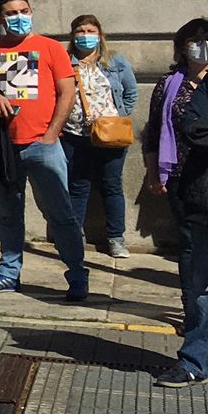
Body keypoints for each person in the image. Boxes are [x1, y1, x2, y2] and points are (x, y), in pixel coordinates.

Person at [0, 0, 88, 299]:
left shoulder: (50, 48)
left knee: (60, 214)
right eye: (11, 13)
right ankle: (9, 273)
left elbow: (67, 93)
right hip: (3, 148)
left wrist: (51, 134)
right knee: (9, 215)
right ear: (0, 19)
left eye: (23, 10)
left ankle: (77, 273)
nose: (19, 17)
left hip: (43, 145)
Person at [147, 20, 208, 388]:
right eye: (193, 41)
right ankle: (194, 361)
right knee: (201, 279)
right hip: (192, 189)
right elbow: (172, 129)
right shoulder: (175, 85)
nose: (202, 47)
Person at [61, 13, 137, 259]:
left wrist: (118, 116)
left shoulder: (114, 60)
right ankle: (74, 237)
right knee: (78, 186)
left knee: (111, 185)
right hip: (75, 134)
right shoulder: (65, 61)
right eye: (80, 31)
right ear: (73, 36)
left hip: (110, 134)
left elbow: (131, 92)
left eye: (91, 31)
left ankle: (116, 238)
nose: (86, 36)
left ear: (100, 35)